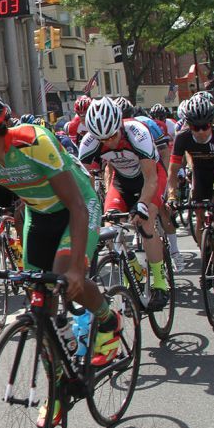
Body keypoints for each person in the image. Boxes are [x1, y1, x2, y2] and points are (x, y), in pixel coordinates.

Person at [0, 88, 117, 427]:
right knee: (40, 304)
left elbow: (77, 206)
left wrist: (77, 268)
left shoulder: (33, 141)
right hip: (38, 217)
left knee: (70, 280)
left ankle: (109, 322)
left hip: (76, 208)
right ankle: (58, 387)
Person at [80, 97, 169, 310]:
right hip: (122, 182)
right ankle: (133, 270)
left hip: (150, 178)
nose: (108, 142)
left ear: (120, 124)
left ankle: (159, 281)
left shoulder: (137, 133)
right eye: (102, 140)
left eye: (112, 136)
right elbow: (82, 181)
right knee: (109, 228)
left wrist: (142, 204)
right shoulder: (89, 143)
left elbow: (151, 178)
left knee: (146, 222)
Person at [169, 94, 214, 261]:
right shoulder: (182, 138)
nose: (200, 132)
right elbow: (173, 171)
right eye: (195, 127)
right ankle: (207, 256)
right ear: (188, 125)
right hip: (201, 174)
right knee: (199, 214)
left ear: (211, 123)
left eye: (205, 126)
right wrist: (171, 195)